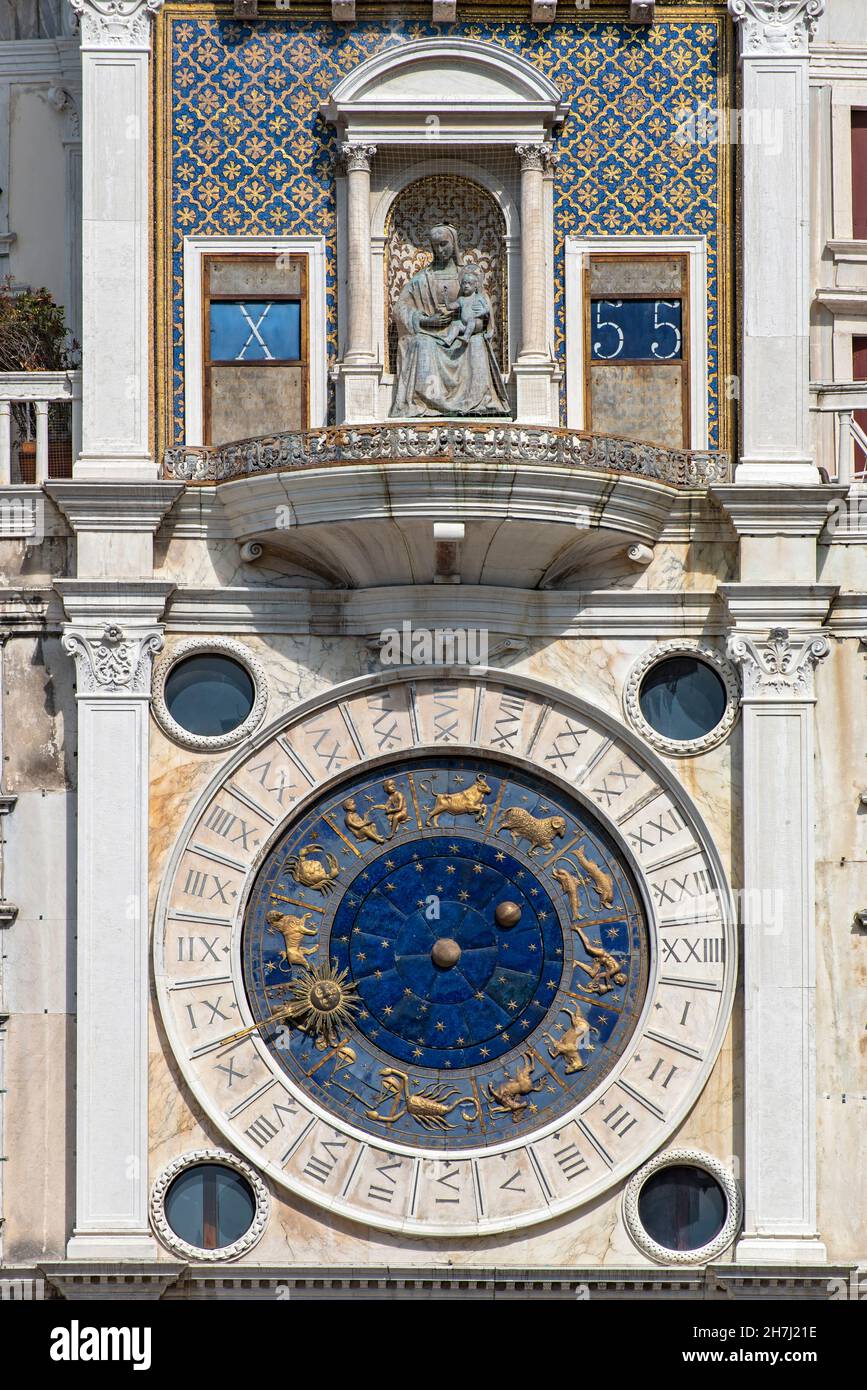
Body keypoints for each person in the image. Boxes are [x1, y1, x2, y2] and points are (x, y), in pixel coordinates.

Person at [390, 223, 510, 418]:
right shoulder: (422, 279)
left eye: (444, 244)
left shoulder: (468, 276)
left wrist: (480, 320)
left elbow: (483, 306)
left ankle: (477, 402)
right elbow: (401, 308)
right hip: (431, 334)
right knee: (422, 343)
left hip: (465, 333)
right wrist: (426, 321)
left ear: (453, 244)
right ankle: (429, 402)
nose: (440, 249)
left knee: (478, 342)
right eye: (435, 245)